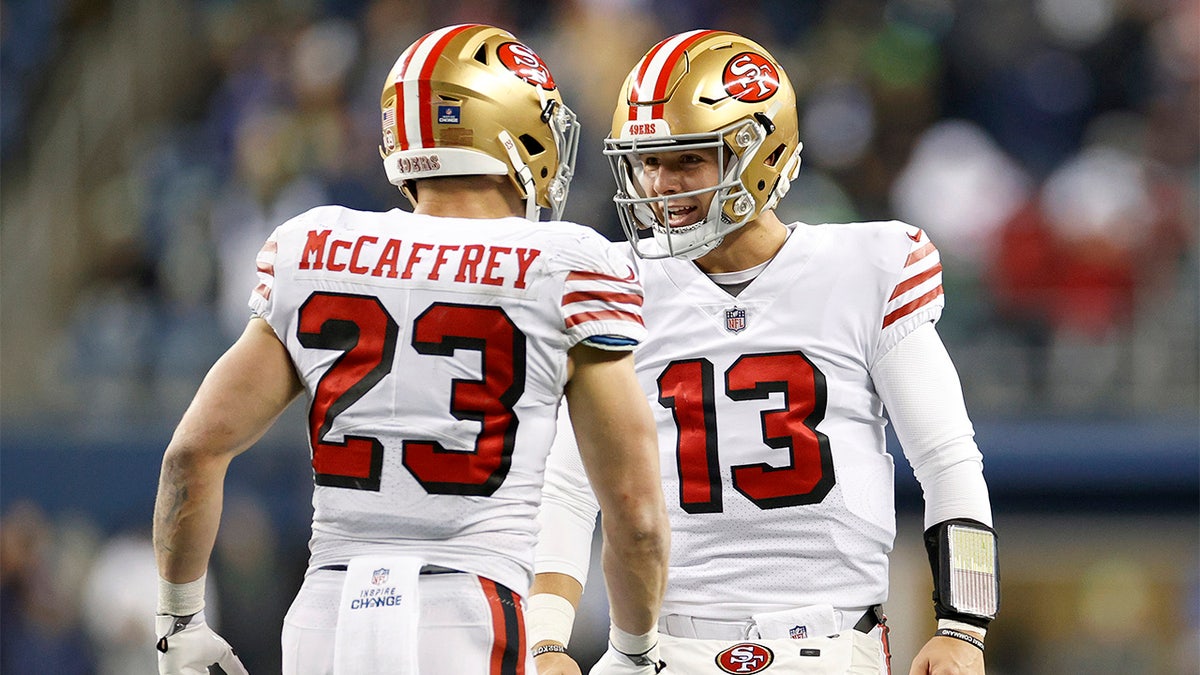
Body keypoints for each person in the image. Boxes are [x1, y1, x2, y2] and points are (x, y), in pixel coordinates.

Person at [151, 23, 669, 675]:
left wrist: (180, 623)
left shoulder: (315, 246)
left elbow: (189, 456)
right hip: (468, 606)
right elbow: (636, 512)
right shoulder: (566, 261)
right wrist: (637, 649)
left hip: (325, 614)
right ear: (510, 128)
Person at [528, 29, 998, 675]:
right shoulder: (615, 279)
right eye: (648, 161)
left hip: (827, 638)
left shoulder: (868, 266)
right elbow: (570, 484)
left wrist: (963, 626)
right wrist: (547, 640)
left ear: (761, 153)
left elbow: (946, 458)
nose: (661, 184)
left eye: (688, 159)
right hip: (659, 642)